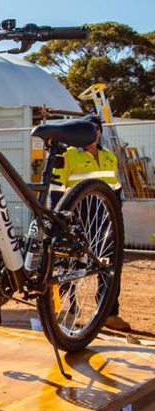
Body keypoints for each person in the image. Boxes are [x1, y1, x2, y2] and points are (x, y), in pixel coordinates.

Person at [51, 114, 129, 332]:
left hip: (104, 217)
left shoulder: (109, 157)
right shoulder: (68, 155)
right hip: (76, 216)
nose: (93, 132)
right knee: (67, 263)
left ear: (100, 132)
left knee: (110, 262)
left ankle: (109, 313)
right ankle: (64, 310)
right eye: (88, 128)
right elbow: (56, 189)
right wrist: (61, 217)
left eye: (96, 128)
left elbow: (116, 189)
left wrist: (116, 215)